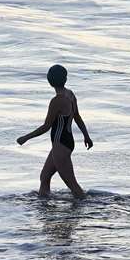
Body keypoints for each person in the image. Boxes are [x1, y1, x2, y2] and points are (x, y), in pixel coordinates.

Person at [16, 64, 93, 199]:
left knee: (74, 187)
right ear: (65, 79)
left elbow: (46, 126)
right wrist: (86, 136)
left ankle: (84, 212)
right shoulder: (70, 94)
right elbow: (78, 117)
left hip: (60, 145)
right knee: (44, 177)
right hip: (67, 142)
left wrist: (25, 138)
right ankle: (45, 208)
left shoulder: (57, 101)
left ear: (49, 81)